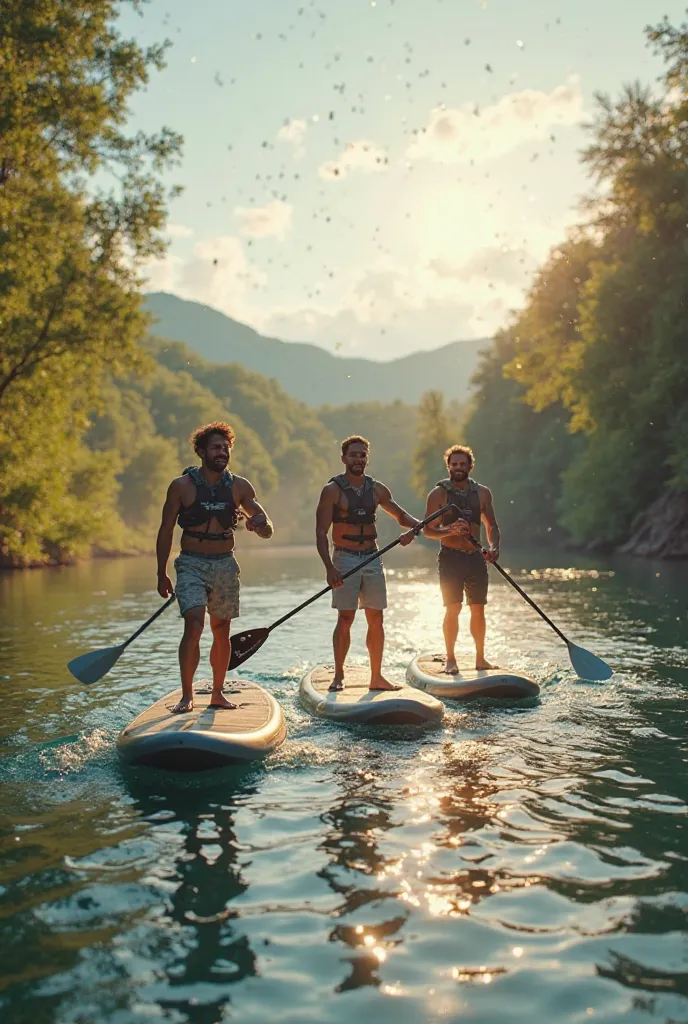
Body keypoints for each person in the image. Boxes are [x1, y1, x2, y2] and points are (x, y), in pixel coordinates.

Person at [156, 421, 274, 713]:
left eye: (226, 448)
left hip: (224, 565)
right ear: (201, 451)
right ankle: (187, 696)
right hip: (191, 565)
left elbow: (267, 528)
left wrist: (261, 526)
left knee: (221, 629)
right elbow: (166, 531)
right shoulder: (180, 487)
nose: (222, 452)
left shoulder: (240, 487)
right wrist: (161, 572)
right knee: (194, 624)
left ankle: (218, 693)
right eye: (215, 448)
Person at [315, 435, 421, 692]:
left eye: (362, 455)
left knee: (377, 618)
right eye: (353, 455)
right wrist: (330, 569)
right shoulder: (332, 491)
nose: (358, 459)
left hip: (372, 558)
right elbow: (320, 533)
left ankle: (376, 677)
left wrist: (418, 527)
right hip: (344, 558)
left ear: (367, 458)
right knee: (346, 618)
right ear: (343, 458)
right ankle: (338, 675)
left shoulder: (377, 489)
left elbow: (400, 515)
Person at [423, 444, 501, 673]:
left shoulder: (483, 493)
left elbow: (492, 525)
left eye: (462, 464)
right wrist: (449, 531)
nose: (458, 468)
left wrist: (494, 547)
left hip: (475, 557)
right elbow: (427, 530)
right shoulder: (438, 494)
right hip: (450, 559)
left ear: (470, 466)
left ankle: (480, 659)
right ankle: (450, 659)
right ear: (448, 466)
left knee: (478, 608)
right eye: (453, 464)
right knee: (453, 608)